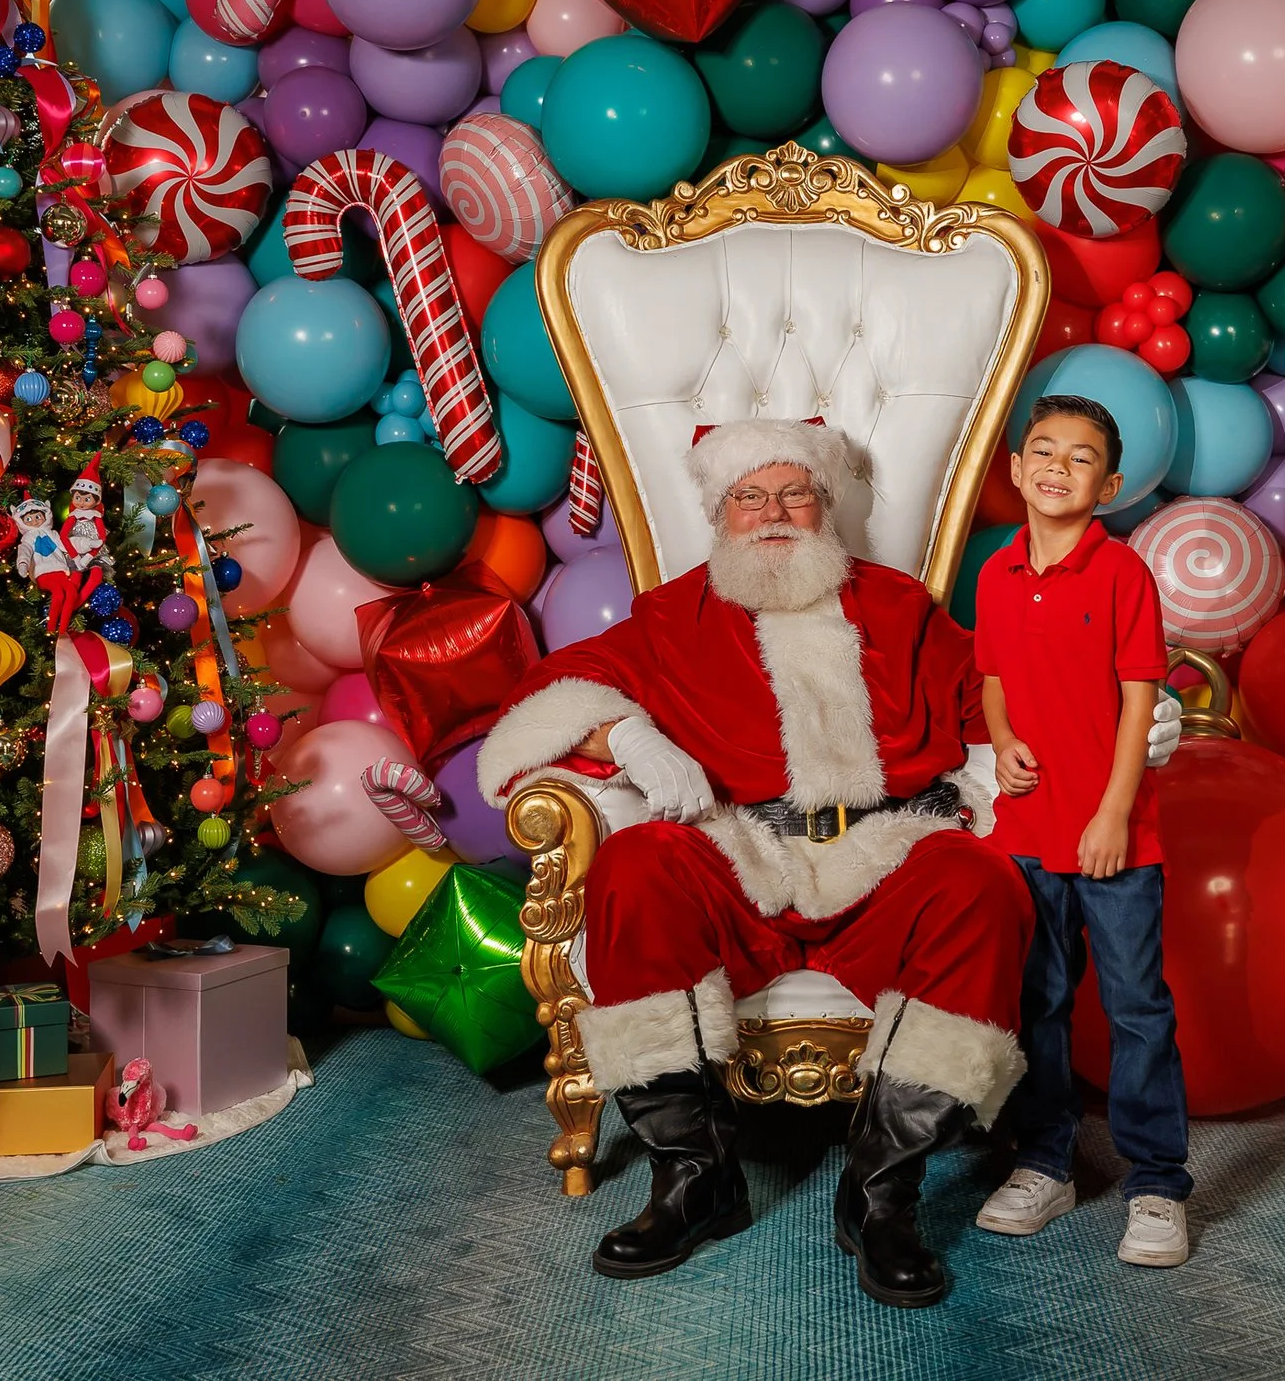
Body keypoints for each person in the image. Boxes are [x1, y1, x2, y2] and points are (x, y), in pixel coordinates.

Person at [475, 419, 1183, 1309]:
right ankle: (694, 1178)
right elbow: (542, 696)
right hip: (744, 858)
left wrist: (1129, 721)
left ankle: (882, 1194)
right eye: (749, 497)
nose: (774, 513)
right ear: (719, 512)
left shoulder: (898, 608)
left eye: (794, 492)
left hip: (885, 854)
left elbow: (1004, 692)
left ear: (827, 503)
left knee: (980, 885)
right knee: (637, 863)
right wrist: (628, 733)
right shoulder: (672, 615)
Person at [973, 394, 1193, 1268]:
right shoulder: (995, 573)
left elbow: (1140, 698)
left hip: (1114, 837)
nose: (1059, 466)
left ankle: (1156, 1183)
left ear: (1107, 485)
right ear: (1019, 472)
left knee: (1138, 1009)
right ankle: (1044, 1161)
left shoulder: (1122, 573)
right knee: (1041, 1004)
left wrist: (1111, 812)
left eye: (1081, 457)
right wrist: (1002, 744)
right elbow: (992, 677)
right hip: (1026, 829)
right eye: (1044, 451)